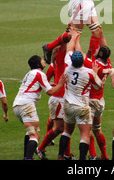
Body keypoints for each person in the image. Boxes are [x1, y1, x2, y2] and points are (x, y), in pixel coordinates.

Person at [12, 55, 66, 160]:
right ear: (38, 64)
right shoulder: (40, 73)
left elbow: (33, 86)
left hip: (17, 106)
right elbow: (50, 92)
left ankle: (25, 157)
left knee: (29, 132)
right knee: (35, 135)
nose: (43, 60)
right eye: (41, 60)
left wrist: (47, 84)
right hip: (27, 105)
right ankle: (28, 158)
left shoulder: (29, 73)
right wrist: (60, 84)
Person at [58, 48, 105, 160]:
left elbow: (69, 50)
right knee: (85, 134)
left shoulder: (67, 68)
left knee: (67, 131)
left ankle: (60, 156)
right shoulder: (89, 73)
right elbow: (99, 85)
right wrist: (95, 71)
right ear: (82, 62)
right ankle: (82, 158)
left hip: (68, 105)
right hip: (82, 106)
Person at [37, 31, 73, 160]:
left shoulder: (66, 63)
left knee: (66, 129)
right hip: (58, 99)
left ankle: (66, 154)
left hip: (63, 98)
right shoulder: (60, 61)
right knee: (59, 128)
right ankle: (40, 148)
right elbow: (64, 46)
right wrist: (69, 33)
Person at [81, 43, 113, 160]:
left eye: (98, 50)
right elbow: (104, 45)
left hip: (91, 101)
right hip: (100, 101)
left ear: (100, 54)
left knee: (86, 129)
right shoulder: (107, 63)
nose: (96, 49)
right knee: (97, 130)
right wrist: (99, 32)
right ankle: (104, 156)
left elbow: (80, 54)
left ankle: (93, 155)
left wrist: (76, 37)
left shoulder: (93, 65)